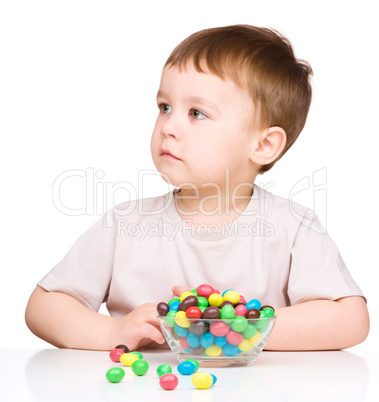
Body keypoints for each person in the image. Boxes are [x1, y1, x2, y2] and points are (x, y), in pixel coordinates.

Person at [25, 25, 369, 352]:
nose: (168, 126)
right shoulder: (126, 223)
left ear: (263, 145)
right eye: (164, 107)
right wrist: (111, 332)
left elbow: (350, 320)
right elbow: (43, 307)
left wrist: (241, 326)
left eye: (196, 113)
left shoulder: (292, 226)